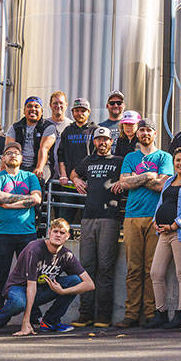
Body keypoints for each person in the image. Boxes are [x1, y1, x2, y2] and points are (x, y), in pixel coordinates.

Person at [0, 219, 95, 336]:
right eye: (55, 231)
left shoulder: (67, 255)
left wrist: (63, 291)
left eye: (62, 233)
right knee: (19, 303)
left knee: (75, 281)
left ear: (67, 236)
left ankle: (50, 322)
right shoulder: (35, 249)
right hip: (19, 288)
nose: (58, 235)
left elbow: (90, 284)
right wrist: (26, 323)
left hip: (42, 289)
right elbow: (31, 286)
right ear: (49, 232)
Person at [111, 120, 172, 327]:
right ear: (138, 134)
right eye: (142, 130)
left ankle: (150, 313)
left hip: (155, 217)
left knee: (151, 269)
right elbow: (124, 182)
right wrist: (147, 175)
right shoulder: (130, 157)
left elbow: (163, 185)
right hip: (132, 216)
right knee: (133, 268)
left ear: (155, 133)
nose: (145, 133)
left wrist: (135, 179)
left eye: (149, 130)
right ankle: (131, 314)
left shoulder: (164, 157)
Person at [70, 127, 125, 327]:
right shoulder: (88, 161)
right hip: (88, 218)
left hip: (110, 218)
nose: (102, 143)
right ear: (94, 142)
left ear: (111, 142)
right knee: (86, 266)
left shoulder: (118, 162)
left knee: (105, 268)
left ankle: (103, 316)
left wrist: (123, 181)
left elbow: (130, 176)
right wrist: (75, 179)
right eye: (99, 140)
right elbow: (74, 172)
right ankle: (85, 314)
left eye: (106, 140)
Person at [147, 148, 181, 330]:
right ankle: (160, 313)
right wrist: (156, 221)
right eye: (178, 160)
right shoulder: (169, 180)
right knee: (156, 272)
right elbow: (161, 203)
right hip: (163, 233)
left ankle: (180, 315)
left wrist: (174, 224)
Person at [0, 143, 42, 314]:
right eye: (9, 153)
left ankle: (33, 316)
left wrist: (9, 203)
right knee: (1, 275)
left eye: (16, 153)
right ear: (3, 158)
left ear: (21, 158)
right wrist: (25, 201)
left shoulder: (30, 177)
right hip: (2, 234)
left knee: (30, 276)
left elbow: (37, 200)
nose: (13, 155)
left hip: (27, 234)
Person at [6, 96, 57, 183]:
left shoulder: (49, 127)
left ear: (41, 111)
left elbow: (44, 148)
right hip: (19, 164)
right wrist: (3, 170)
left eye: (36, 106)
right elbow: (9, 150)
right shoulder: (15, 127)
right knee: (8, 180)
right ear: (24, 110)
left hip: (42, 164)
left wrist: (39, 168)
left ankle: (38, 196)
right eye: (29, 106)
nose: (33, 109)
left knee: (37, 180)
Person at [56, 97, 96, 190]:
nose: (80, 114)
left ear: (89, 112)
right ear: (72, 112)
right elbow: (61, 155)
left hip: (87, 182)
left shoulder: (95, 130)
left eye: (83, 111)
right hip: (69, 182)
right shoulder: (67, 130)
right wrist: (63, 175)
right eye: (76, 110)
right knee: (66, 204)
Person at [46, 91, 72, 181]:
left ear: (66, 105)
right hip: (47, 175)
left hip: (66, 177)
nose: (58, 106)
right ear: (50, 105)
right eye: (55, 103)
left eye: (61, 103)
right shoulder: (44, 125)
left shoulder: (71, 126)